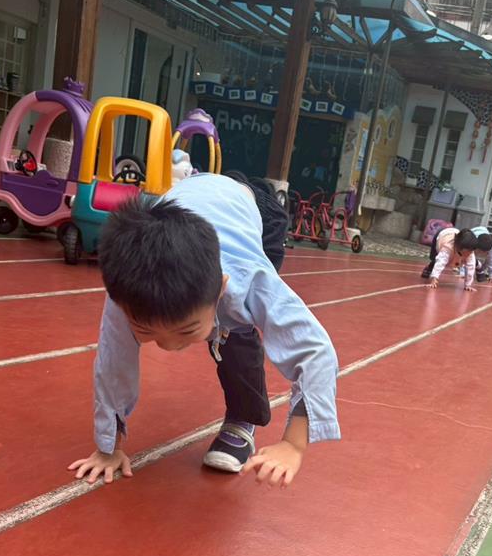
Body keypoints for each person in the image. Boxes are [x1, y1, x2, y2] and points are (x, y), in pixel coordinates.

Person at [68, 173, 340, 488]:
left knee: (236, 324)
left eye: (186, 331)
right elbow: (113, 363)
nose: (168, 347)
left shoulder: (250, 279)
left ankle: (243, 417)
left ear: (221, 288)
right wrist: (108, 448)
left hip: (256, 209)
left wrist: (293, 445)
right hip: (190, 208)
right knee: (202, 323)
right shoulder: (126, 294)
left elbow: (316, 352)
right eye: (146, 330)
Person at [421, 227, 480, 291]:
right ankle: (429, 267)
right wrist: (434, 278)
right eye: (468, 251)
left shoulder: (470, 252)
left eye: (471, 251)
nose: (469, 253)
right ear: (459, 246)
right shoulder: (448, 247)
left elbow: (471, 267)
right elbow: (440, 262)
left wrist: (468, 285)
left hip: (455, 234)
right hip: (442, 235)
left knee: (464, 260)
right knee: (435, 259)